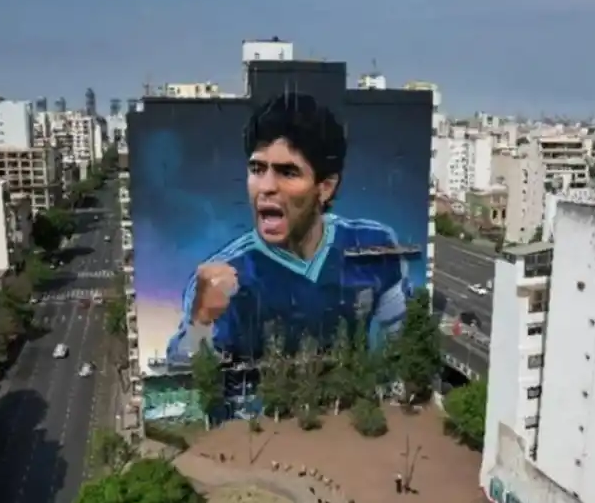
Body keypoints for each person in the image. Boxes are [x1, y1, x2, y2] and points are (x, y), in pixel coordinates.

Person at [167, 92, 412, 363]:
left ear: (325, 187)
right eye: (257, 169)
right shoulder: (221, 277)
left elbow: (405, 346)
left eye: (288, 172)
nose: (266, 187)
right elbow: (183, 379)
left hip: (350, 403)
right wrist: (201, 322)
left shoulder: (372, 245)